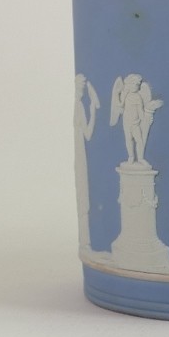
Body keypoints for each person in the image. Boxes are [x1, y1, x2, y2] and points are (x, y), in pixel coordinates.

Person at [73, 74, 98, 250]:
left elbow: (86, 134)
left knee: (83, 191)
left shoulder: (78, 105)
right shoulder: (79, 106)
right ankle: (86, 242)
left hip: (80, 150)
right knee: (83, 192)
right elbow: (88, 134)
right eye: (80, 87)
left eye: (81, 87)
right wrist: (93, 111)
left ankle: (86, 241)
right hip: (80, 150)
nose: (80, 90)